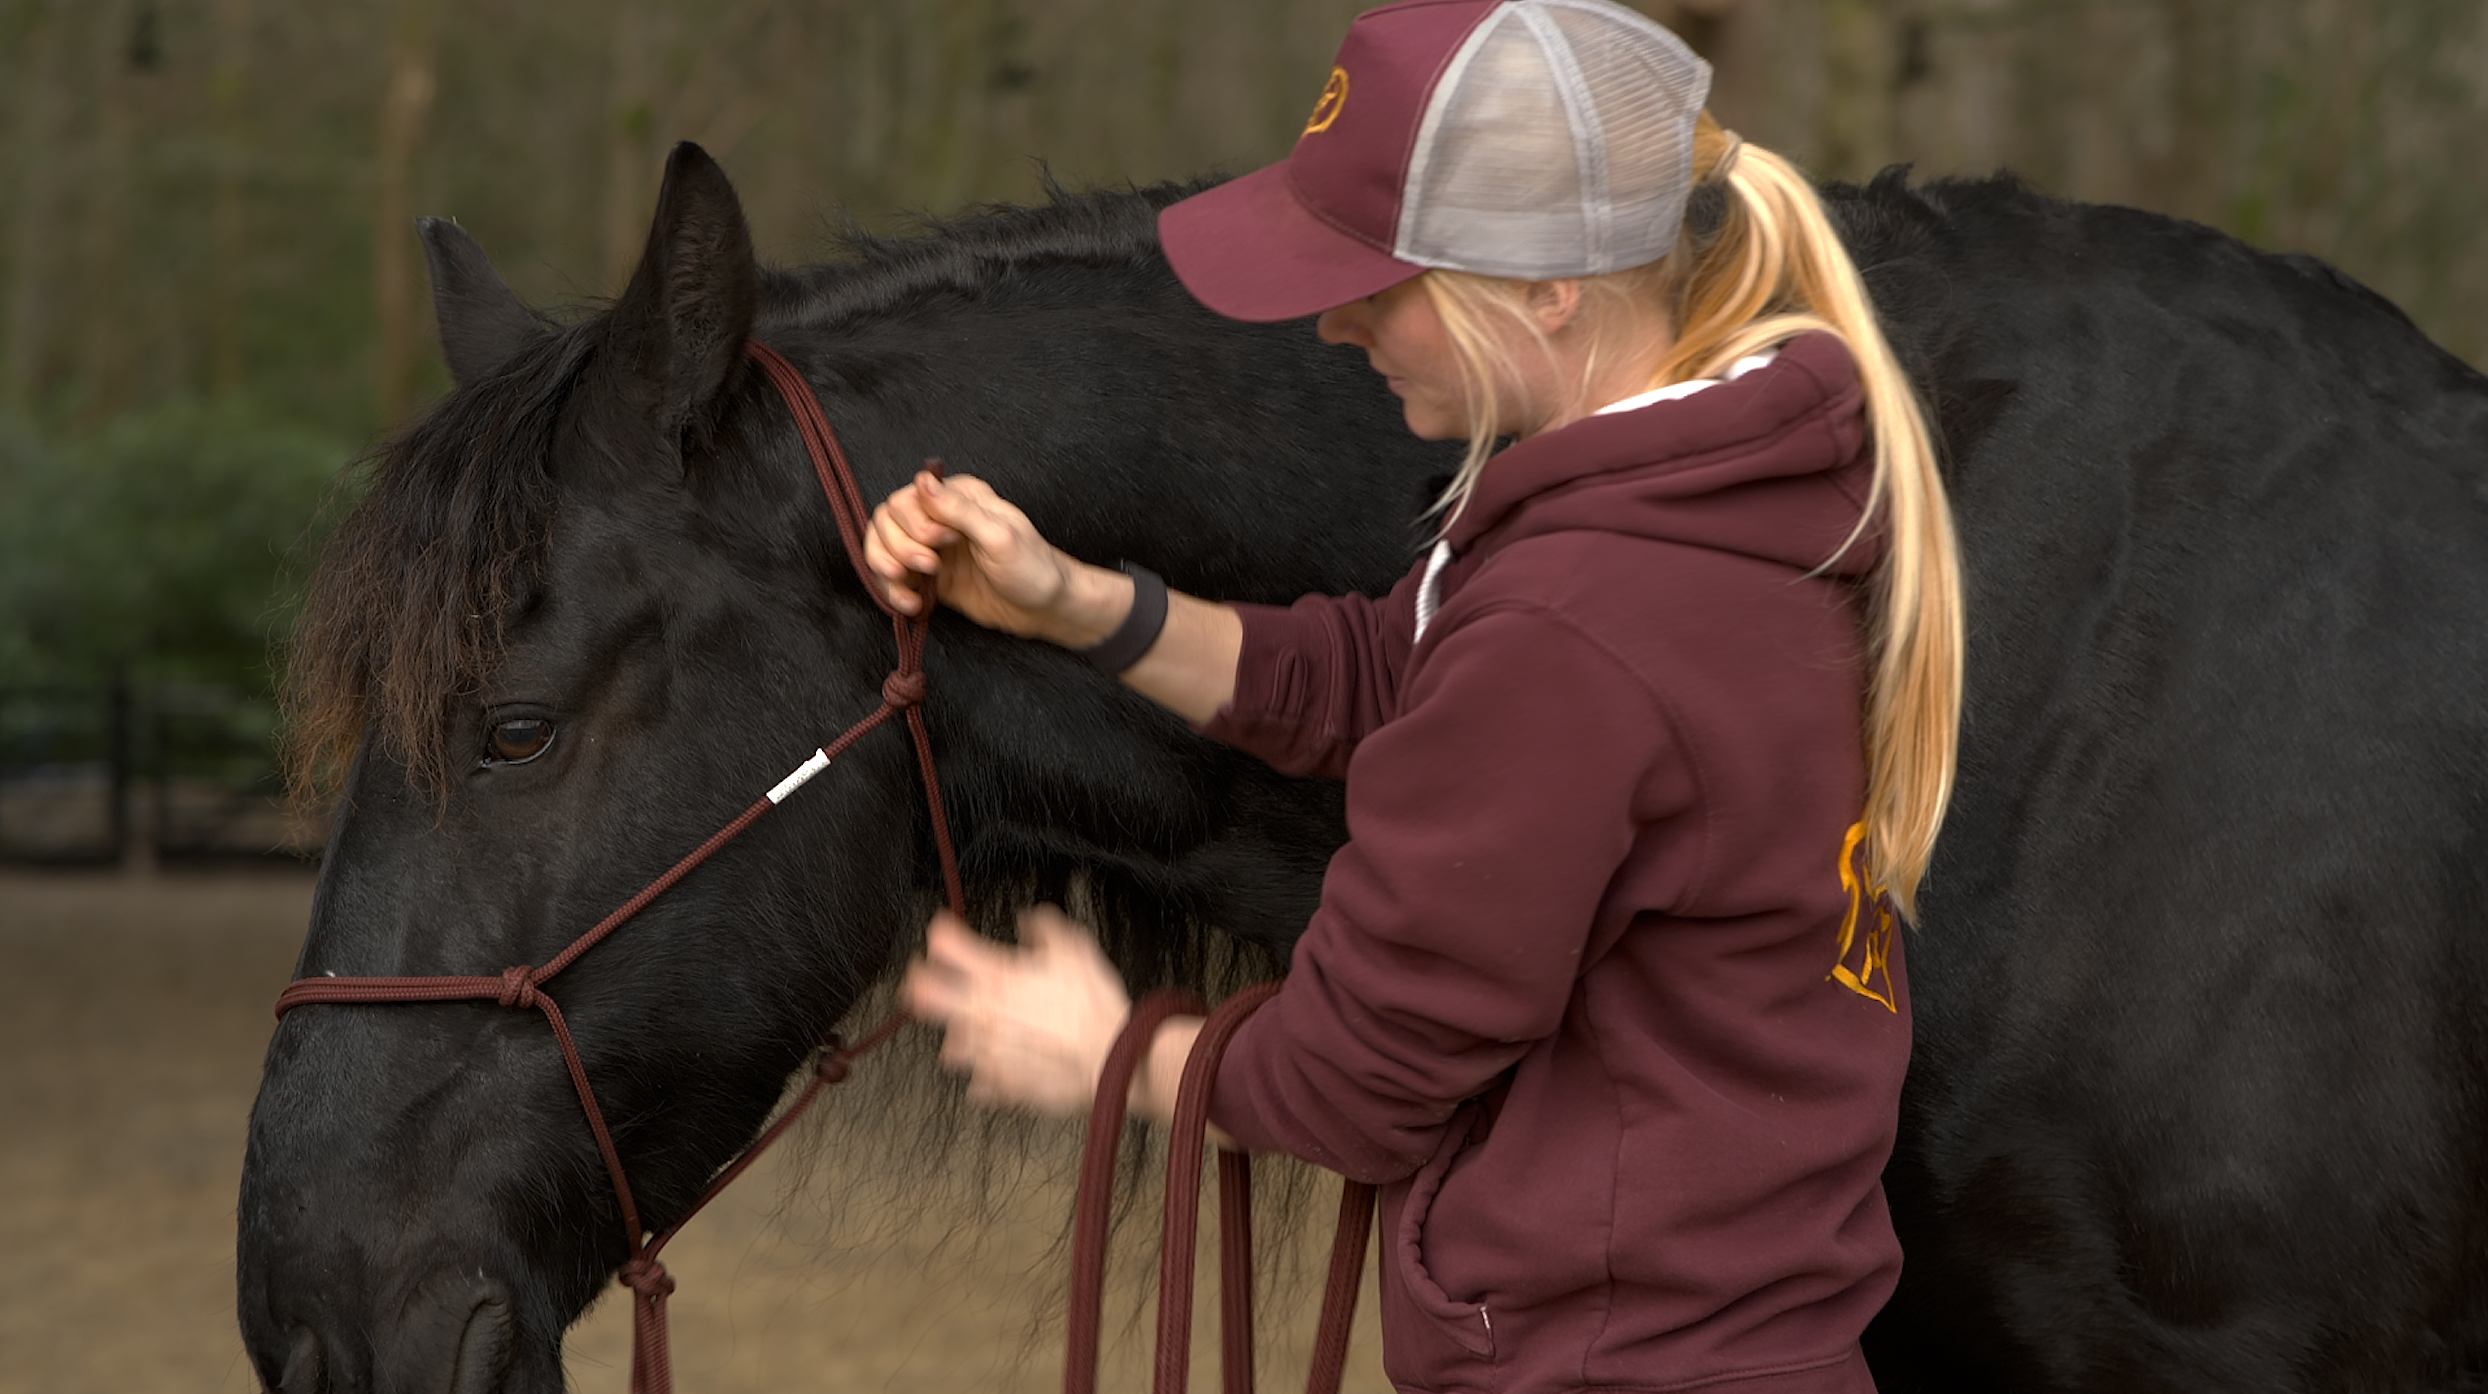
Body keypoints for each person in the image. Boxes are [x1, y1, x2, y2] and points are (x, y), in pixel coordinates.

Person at [874, 1, 1964, 1390]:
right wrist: (1080, 603)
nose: (1333, 322)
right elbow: (1397, 671)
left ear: (1545, 288)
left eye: (1375, 282)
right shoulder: (1722, 495)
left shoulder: (1582, 618)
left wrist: (1106, 1049)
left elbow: (1356, 1077)